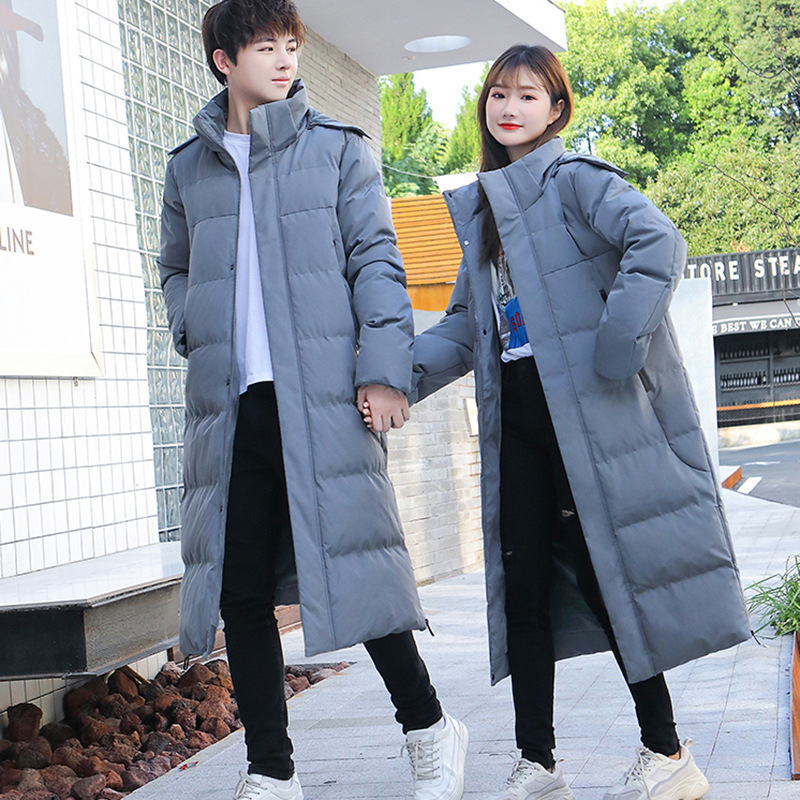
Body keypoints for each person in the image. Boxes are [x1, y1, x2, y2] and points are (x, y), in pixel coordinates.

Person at [364, 44, 750, 800]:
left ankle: (668, 750)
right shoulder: (485, 210)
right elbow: (464, 327)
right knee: (525, 586)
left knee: (610, 579)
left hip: (584, 413)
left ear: (556, 109)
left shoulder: (575, 181)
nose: (509, 108)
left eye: (528, 95)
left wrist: (616, 344)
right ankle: (537, 763)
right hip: (518, 413)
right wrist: (388, 378)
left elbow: (658, 241)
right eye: (498, 95)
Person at [157, 2, 468, 799]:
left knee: (356, 574)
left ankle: (430, 728)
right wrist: (193, 325)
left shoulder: (336, 149)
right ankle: (271, 771)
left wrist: (384, 371)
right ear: (225, 60)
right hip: (232, 410)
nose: (285, 59)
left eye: (290, 45)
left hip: (323, 402)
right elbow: (175, 268)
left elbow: (377, 261)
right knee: (241, 593)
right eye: (266, 46)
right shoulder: (189, 167)